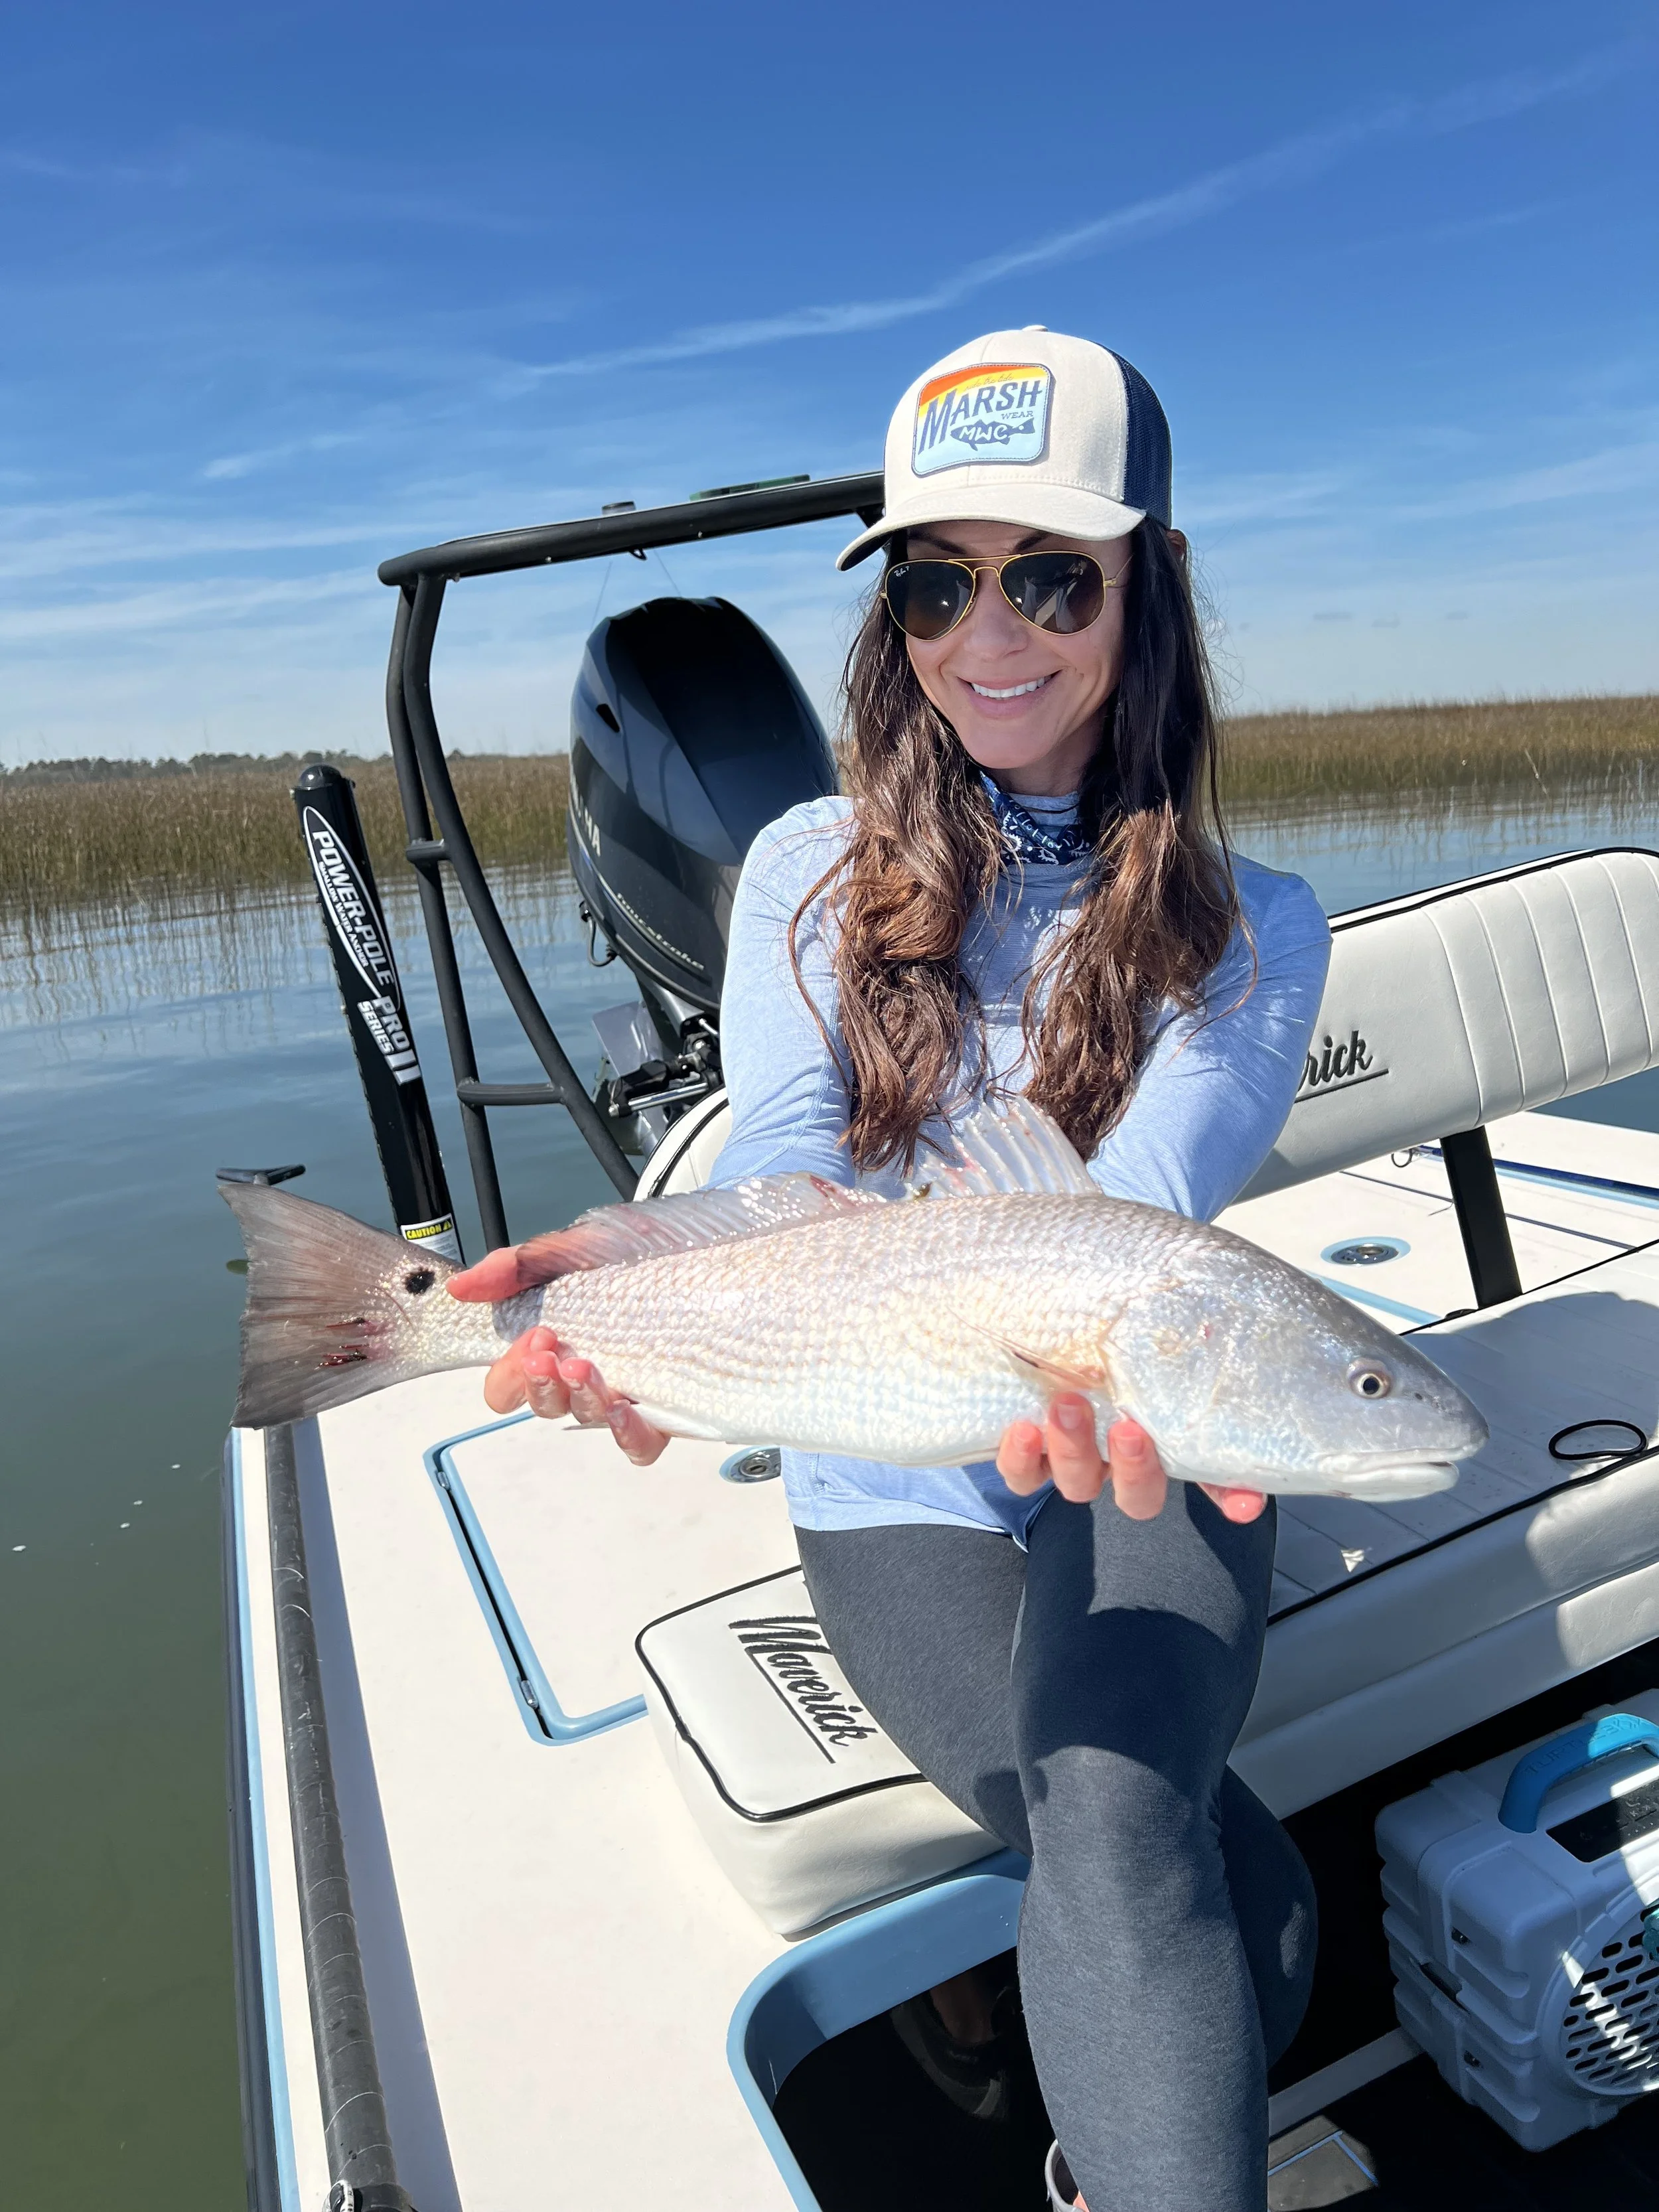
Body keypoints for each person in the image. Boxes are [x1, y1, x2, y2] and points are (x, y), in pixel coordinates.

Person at [450, 329, 1332, 2211]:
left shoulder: (1256, 926)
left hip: (1136, 1432)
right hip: (882, 1457)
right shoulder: (797, 862)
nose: (985, 630)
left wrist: (1093, 1358)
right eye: (937, 578)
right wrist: (643, 1276)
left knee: (1104, 1813)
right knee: (1220, 1893)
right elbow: (779, 1156)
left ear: (1145, 588)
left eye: (1045, 573)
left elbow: (1147, 1199)